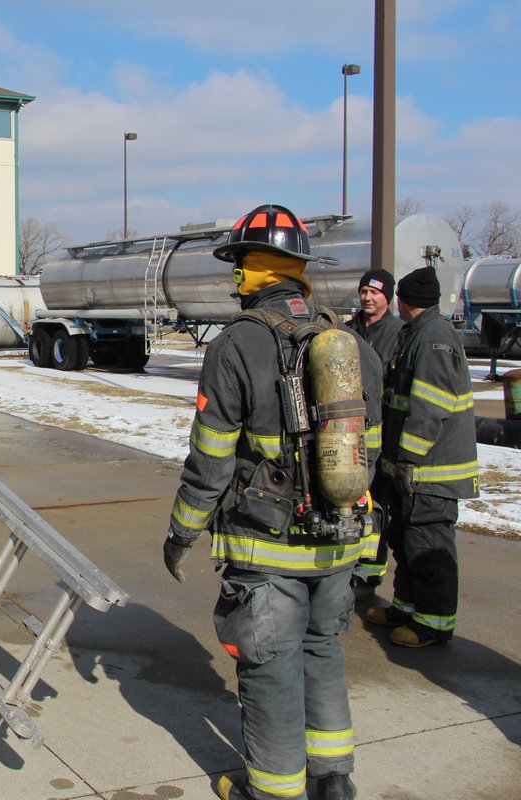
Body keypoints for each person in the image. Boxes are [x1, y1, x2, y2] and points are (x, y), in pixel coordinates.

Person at [162, 205, 382, 800]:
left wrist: (182, 533)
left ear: (254, 271)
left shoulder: (238, 344)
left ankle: (273, 792)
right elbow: (372, 453)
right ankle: (334, 780)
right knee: (322, 651)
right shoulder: (351, 344)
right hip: (339, 541)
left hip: (268, 548)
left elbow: (211, 457)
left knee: (271, 670)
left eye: (238, 266)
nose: (234, 280)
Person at [366, 266, 478, 647]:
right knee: (407, 540)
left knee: (430, 547)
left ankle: (434, 623)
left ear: (403, 300)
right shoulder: (416, 334)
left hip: (431, 471)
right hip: (411, 470)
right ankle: (407, 607)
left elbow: (430, 407)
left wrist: (409, 458)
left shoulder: (433, 340)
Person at [346, 268, 405, 599]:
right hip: (346, 432)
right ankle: (344, 564)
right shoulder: (349, 329)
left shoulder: (397, 333)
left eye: (375, 292)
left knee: (376, 503)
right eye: (364, 291)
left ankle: (367, 572)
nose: (368, 298)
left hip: (379, 434)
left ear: (388, 297)